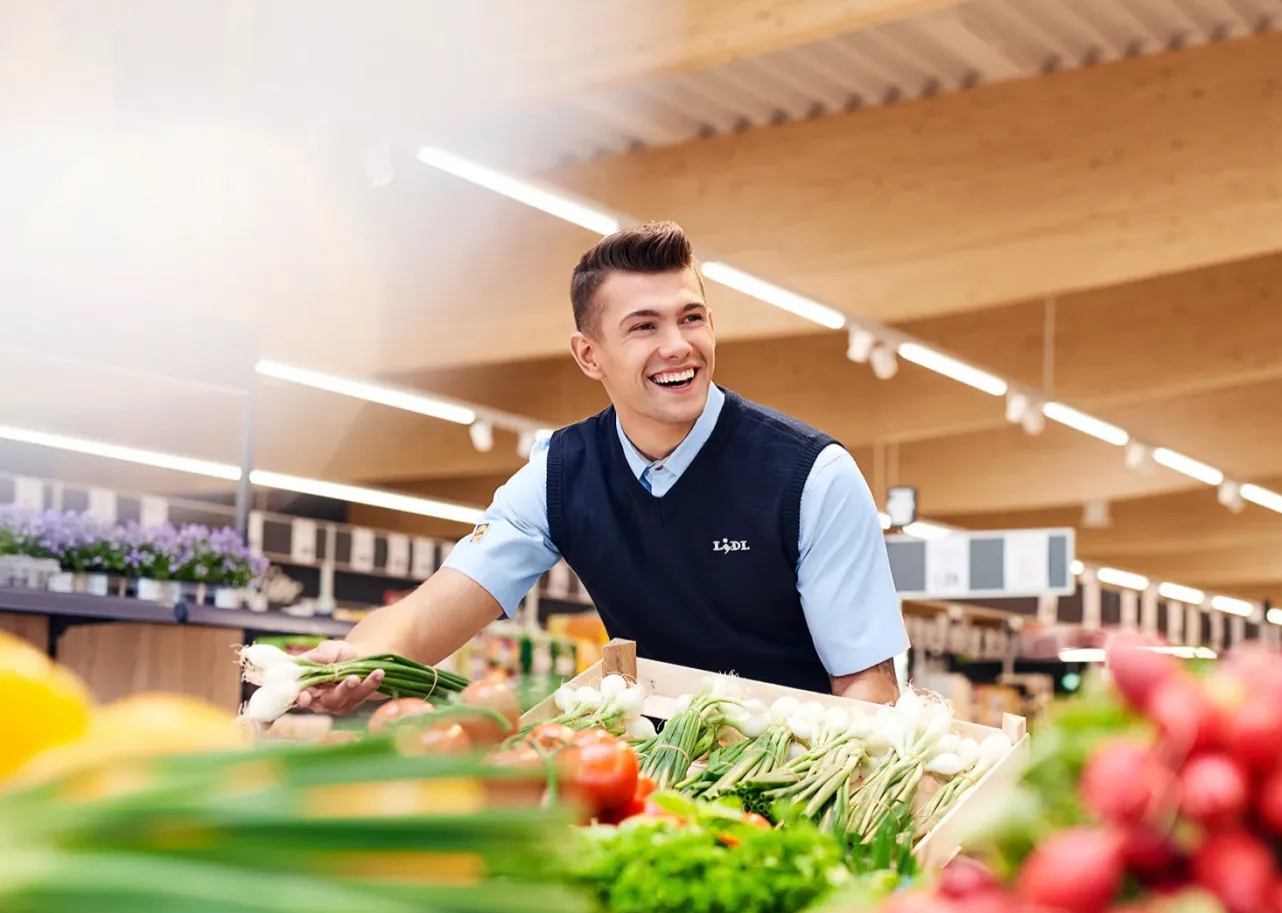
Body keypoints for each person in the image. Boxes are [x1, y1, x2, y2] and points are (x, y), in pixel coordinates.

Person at [299, 221, 908, 713]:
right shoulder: (560, 474)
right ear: (589, 356)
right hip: (657, 773)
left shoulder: (811, 477)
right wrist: (354, 659)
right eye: (643, 326)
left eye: (691, 317)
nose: (678, 345)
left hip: (798, 771)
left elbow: (867, 690)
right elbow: (434, 610)